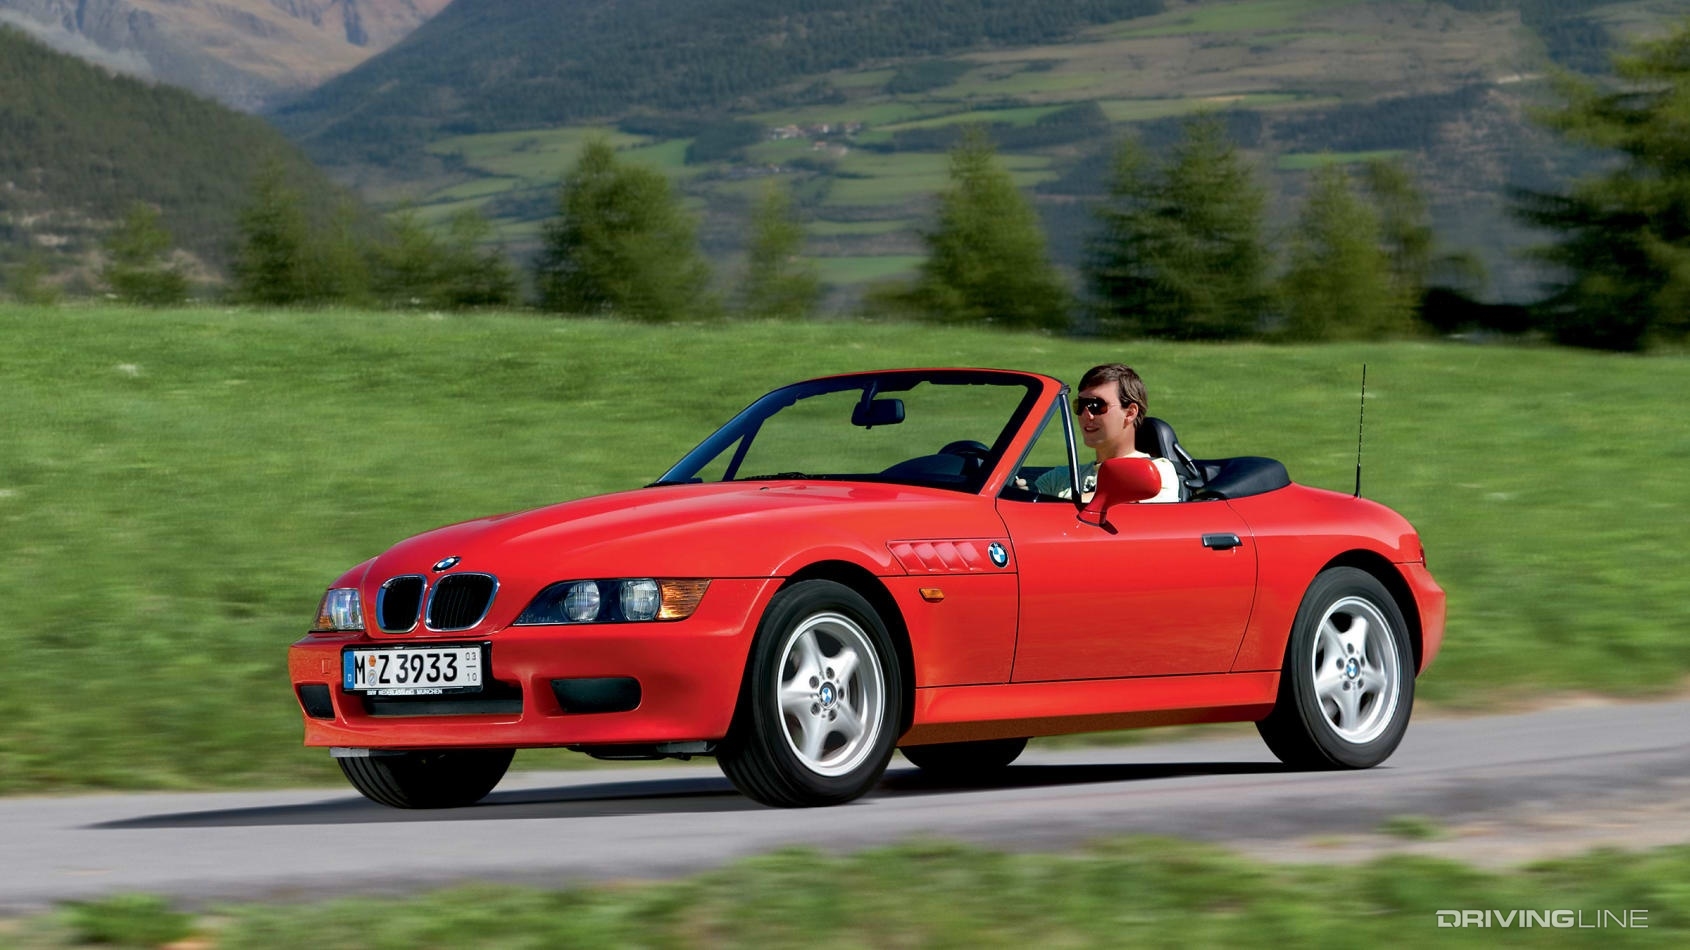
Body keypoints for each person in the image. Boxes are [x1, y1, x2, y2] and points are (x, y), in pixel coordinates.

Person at [1032, 363, 1180, 503]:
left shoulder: (1157, 472)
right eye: (1080, 405)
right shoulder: (1058, 478)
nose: (1086, 415)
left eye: (1097, 405)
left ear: (1130, 413)